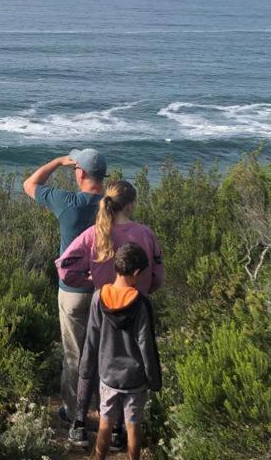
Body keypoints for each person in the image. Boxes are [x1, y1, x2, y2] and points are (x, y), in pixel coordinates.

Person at [55, 180, 163, 449]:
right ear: (131, 204)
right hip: (137, 304)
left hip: (103, 302)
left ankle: (79, 423)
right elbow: (159, 274)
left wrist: (89, 281)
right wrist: (147, 289)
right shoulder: (145, 233)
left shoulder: (95, 233)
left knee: (91, 360)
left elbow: (64, 266)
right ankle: (118, 431)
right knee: (132, 361)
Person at [23, 148, 106, 428]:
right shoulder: (113, 204)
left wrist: (58, 162)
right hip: (106, 291)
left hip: (72, 290)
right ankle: (104, 410)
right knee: (103, 351)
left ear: (79, 173)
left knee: (74, 354)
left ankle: (74, 413)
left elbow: (30, 184)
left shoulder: (68, 203)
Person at [75, 242, 161, 460]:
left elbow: (91, 339)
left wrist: (86, 370)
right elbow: (146, 344)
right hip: (134, 379)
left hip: (108, 376)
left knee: (105, 423)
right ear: (135, 272)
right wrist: (154, 379)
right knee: (133, 426)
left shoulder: (98, 297)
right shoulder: (141, 304)